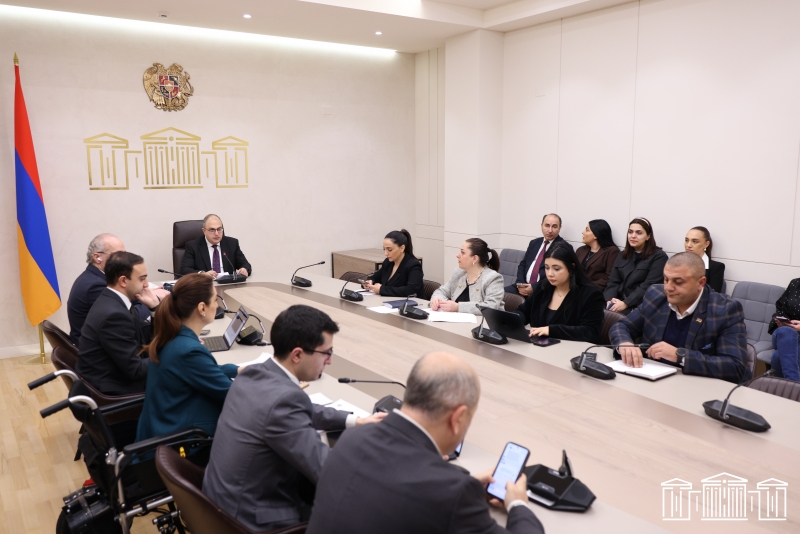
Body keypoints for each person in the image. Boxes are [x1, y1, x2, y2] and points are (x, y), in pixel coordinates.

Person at [307, 352, 545, 534]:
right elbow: (431, 493)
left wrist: (466, 483)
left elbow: (398, 485)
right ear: (457, 418)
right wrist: (517, 504)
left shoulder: (352, 438)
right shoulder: (453, 493)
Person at [202, 305, 385, 532]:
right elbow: (327, 470)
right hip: (249, 520)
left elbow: (300, 408)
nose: (329, 361)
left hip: (218, 504)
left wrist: (354, 420)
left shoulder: (252, 373)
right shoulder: (285, 401)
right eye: (326, 353)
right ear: (297, 354)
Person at [610, 252, 748, 383]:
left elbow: (735, 367)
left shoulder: (724, 309)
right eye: (666, 279)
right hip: (650, 380)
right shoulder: (656, 295)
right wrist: (624, 344)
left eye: (678, 282)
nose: (668, 288)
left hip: (696, 386)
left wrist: (680, 356)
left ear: (701, 283)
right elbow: (622, 325)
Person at [135, 274, 239, 443]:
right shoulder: (189, 351)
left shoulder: (172, 334)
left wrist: (237, 370)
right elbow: (234, 394)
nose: (217, 305)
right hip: (180, 443)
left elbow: (198, 370)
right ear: (202, 308)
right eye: (215, 300)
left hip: (161, 429)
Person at [76, 252, 160, 395]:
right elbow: (137, 370)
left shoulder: (113, 299)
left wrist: (154, 308)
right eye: (142, 279)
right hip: (115, 391)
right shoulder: (114, 315)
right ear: (123, 281)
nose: (146, 284)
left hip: (117, 377)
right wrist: (172, 354)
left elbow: (145, 334)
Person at [67, 234, 166, 346]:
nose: (124, 260)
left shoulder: (94, 277)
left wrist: (141, 294)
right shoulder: (95, 286)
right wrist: (152, 300)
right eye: (118, 255)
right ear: (97, 257)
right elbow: (130, 316)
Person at [513, 244, 605, 343]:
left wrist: (550, 330)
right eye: (547, 268)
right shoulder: (543, 287)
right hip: (540, 346)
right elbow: (524, 311)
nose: (550, 274)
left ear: (571, 268)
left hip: (572, 349)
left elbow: (589, 332)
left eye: (556, 269)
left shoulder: (591, 295)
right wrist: (513, 320)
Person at [604, 217, 668, 315]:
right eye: (630, 232)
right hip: (617, 301)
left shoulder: (659, 257)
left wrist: (626, 303)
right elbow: (613, 281)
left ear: (648, 236)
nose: (633, 236)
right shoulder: (622, 254)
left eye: (639, 233)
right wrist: (609, 300)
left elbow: (648, 286)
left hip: (639, 304)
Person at [430, 238, 504, 315]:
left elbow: (491, 306)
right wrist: (437, 299)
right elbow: (442, 291)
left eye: (462, 252)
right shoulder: (459, 272)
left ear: (474, 258)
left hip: (483, 322)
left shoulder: (493, 278)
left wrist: (458, 307)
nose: (457, 255)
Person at [506, 213, 566, 296]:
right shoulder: (534, 243)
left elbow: (558, 276)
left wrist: (534, 287)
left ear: (560, 228)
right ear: (541, 226)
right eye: (547, 225)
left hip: (543, 290)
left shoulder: (563, 247)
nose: (550, 230)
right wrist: (521, 284)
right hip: (523, 286)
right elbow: (523, 264)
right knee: (498, 294)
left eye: (554, 227)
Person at [179, 214, 252, 278]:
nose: (216, 233)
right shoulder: (193, 246)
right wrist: (202, 274)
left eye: (219, 229)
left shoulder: (232, 243)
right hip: (205, 285)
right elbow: (185, 270)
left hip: (228, 284)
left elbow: (245, 264)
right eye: (212, 230)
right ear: (204, 231)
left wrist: (244, 269)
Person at [362, 229, 424, 297]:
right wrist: (370, 281)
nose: (385, 253)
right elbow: (376, 277)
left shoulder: (413, 265)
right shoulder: (388, 262)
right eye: (384, 249)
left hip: (412, 302)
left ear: (402, 248)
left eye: (390, 250)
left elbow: (411, 290)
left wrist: (381, 290)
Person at [767, 279, 800, 381]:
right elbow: (780, 308)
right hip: (785, 335)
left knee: (777, 357)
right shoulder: (795, 283)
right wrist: (782, 321)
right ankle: (794, 386)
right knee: (786, 331)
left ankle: (786, 388)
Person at [574, 220, 620, 292]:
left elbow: (609, 278)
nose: (583, 232)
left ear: (596, 235)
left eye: (587, 230)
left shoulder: (611, 251)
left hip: (595, 291)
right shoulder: (581, 250)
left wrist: (586, 287)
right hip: (576, 289)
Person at [684, 226, 725, 293]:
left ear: (706, 244)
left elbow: (713, 294)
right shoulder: (678, 263)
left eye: (695, 241)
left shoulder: (716, 267)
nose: (688, 245)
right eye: (686, 240)